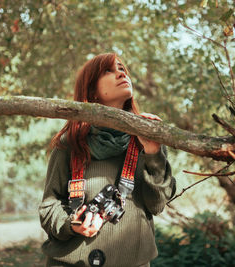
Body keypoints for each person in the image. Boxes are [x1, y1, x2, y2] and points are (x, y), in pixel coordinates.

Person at [39, 53, 176, 267]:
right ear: (91, 91)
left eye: (122, 68)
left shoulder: (149, 139)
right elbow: (49, 206)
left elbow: (157, 205)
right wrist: (71, 225)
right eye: (108, 70)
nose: (121, 73)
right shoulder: (69, 144)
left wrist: (153, 154)